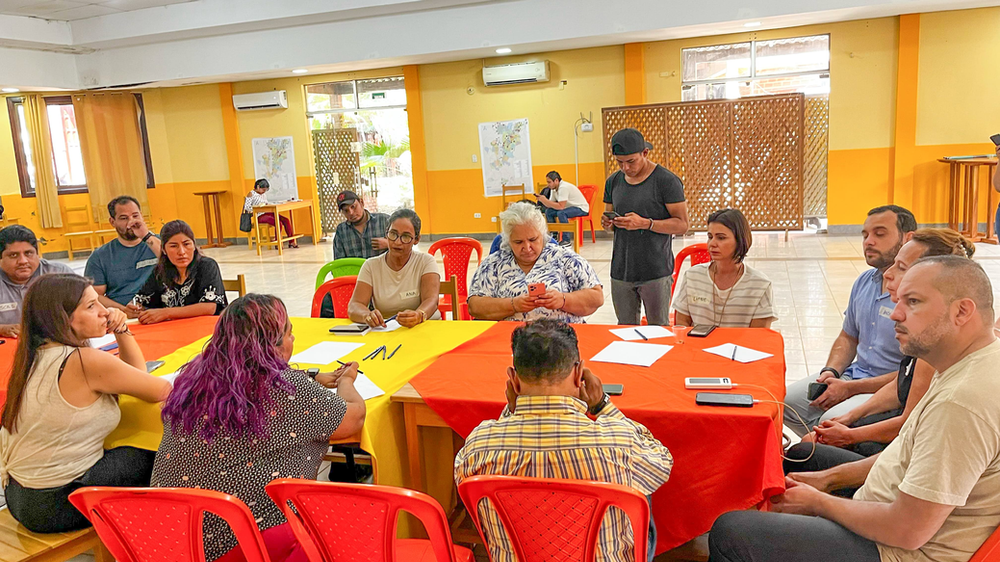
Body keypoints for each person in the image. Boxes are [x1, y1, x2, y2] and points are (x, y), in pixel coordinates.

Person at [709, 256, 1000, 562]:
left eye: (913, 302)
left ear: (962, 311)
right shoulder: (969, 361)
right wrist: (829, 479)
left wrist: (820, 503)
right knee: (798, 457)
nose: (895, 314)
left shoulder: (961, 403)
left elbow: (909, 530)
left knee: (731, 532)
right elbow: (903, 455)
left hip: (898, 549)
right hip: (888, 511)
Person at [152, 294, 366, 562]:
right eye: (289, 333)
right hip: (236, 540)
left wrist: (307, 375)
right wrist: (347, 381)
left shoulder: (193, 378)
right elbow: (353, 418)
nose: (293, 340)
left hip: (167, 537)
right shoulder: (280, 389)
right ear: (273, 345)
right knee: (348, 521)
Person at [455, 319, 673, 562]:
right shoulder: (619, 442)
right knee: (640, 485)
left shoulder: (477, 447)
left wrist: (511, 410)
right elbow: (661, 463)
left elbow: (464, 483)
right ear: (579, 374)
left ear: (513, 380)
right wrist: (602, 406)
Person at [785, 229, 975, 479]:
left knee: (803, 452)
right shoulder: (870, 286)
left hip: (901, 455)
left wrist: (848, 436)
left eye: (900, 267)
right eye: (864, 233)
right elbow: (900, 383)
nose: (888, 273)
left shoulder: (943, 346)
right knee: (802, 419)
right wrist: (849, 415)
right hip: (886, 425)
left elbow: (908, 434)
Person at [0, 274, 172, 533]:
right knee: (159, 451)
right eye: (92, 306)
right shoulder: (85, 360)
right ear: (61, 317)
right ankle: (159, 538)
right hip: (54, 505)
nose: (105, 312)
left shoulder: (33, 356)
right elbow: (159, 390)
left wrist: (122, 329)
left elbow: (136, 379)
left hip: (19, 498)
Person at [783, 205, 916, 435]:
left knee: (827, 421)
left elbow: (913, 374)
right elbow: (848, 336)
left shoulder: (917, 296)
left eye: (880, 234)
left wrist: (850, 389)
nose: (868, 241)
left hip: (888, 390)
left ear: (908, 238)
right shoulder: (864, 281)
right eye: (865, 235)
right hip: (853, 375)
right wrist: (832, 372)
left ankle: (830, 451)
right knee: (785, 403)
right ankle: (825, 450)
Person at [601, 128, 689, 326]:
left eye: (631, 161)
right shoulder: (613, 182)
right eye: (619, 162)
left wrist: (646, 223)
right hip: (621, 269)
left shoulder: (666, 181)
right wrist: (609, 224)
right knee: (625, 329)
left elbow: (682, 225)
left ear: (645, 153)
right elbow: (609, 221)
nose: (625, 168)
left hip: (655, 270)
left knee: (658, 329)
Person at [468, 202, 603, 323]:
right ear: (508, 240)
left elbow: (596, 297)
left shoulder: (565, 259)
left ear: (543, 236)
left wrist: (563, 300)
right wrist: (513, 305)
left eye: (533, 239)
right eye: (518, 242)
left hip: (561, 340)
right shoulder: (494, 264)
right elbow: (474, 306)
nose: (527, 248)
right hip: (507, 341)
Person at [672, 209, 774, 328]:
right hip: (697, 345)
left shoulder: (760, 284)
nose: (712, 244)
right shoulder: (692, 276)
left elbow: (759, 337)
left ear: (740, 240)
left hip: (740, 346)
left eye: (721, 238)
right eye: (710, 237)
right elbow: (682, 324)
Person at [347, 209, 440, 328]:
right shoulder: (371, 266)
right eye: (393, 234)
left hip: (425, 327)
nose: (397, 242)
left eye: (406, 237)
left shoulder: (426, 262)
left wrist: (419, 315)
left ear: (416, 239)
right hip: (387, 330)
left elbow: (431, 300)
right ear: (386, 234)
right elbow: (355, 305)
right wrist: (367, 316)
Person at [129, 220, 227, 324]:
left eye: (186, 244)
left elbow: (210, 307)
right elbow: (142, 300)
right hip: (171, 331)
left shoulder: (207, 266)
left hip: (207, 330)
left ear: (194, 246)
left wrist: (166, 313)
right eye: (173, 246)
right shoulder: (160, 272)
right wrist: (134, 308)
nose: (181, 252)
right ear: (163, 250)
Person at [85, 196, 161, 316]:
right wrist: (123, 310)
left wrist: (145, 235)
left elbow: (173, 260)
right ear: (112, 222)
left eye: (136, 216)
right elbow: (94, 295)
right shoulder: (100, 256)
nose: (132, 222)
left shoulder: (160, 243)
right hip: (121, 315)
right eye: (124, 218)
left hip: (161, 311)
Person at [0, 225, 74, 337]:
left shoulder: (59, 274)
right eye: (13, 255)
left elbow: (85, 306)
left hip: (57, 341)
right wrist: (2, 329)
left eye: (28, 253)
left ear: (37, 253)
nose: (23, 261)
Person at [332, 190, 391, 260]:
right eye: (346, 211)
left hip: (382, 270)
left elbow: (405, 247)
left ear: (361, 203)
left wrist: (389, 244)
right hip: (356, 271)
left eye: (353, 207)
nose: (351, 213)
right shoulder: (342, 231)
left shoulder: (384, 221)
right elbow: (339, 262)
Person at [535, 171, 590, 246]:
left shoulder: (563, 187)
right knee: (549, 211)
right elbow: (550, 204)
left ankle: (566, 240)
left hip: (581, 208)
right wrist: (542, 200)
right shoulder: (553, 189)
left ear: (556, 180)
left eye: (549, 182)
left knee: (561, 213)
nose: (548, 185)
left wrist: (545, 200)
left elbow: (561, 206)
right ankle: (553, 236)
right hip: (568, 208)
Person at [244, 178, 297, 249]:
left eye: (265, 190)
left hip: (268, 212)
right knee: (278, 222)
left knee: (286, 220)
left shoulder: (263, 194)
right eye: (263, 189)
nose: (264, 191)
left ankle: (291, 241)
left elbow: (266, 202)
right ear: (258, 187)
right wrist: (257, 208)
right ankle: (277, 242)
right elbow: (247, 207)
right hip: (260, 215)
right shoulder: (251, 194)